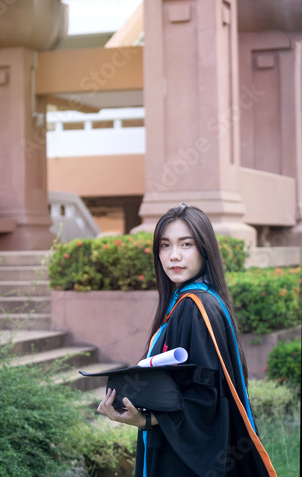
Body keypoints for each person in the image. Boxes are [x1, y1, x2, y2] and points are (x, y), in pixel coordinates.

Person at [97, 203, 276, 477]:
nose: (174, 256)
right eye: (165, 246)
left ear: (204, 249)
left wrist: (146, 420)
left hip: (183, 462)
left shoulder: (195, 307)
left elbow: (206, 399)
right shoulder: (194, 301)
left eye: (186, 244)